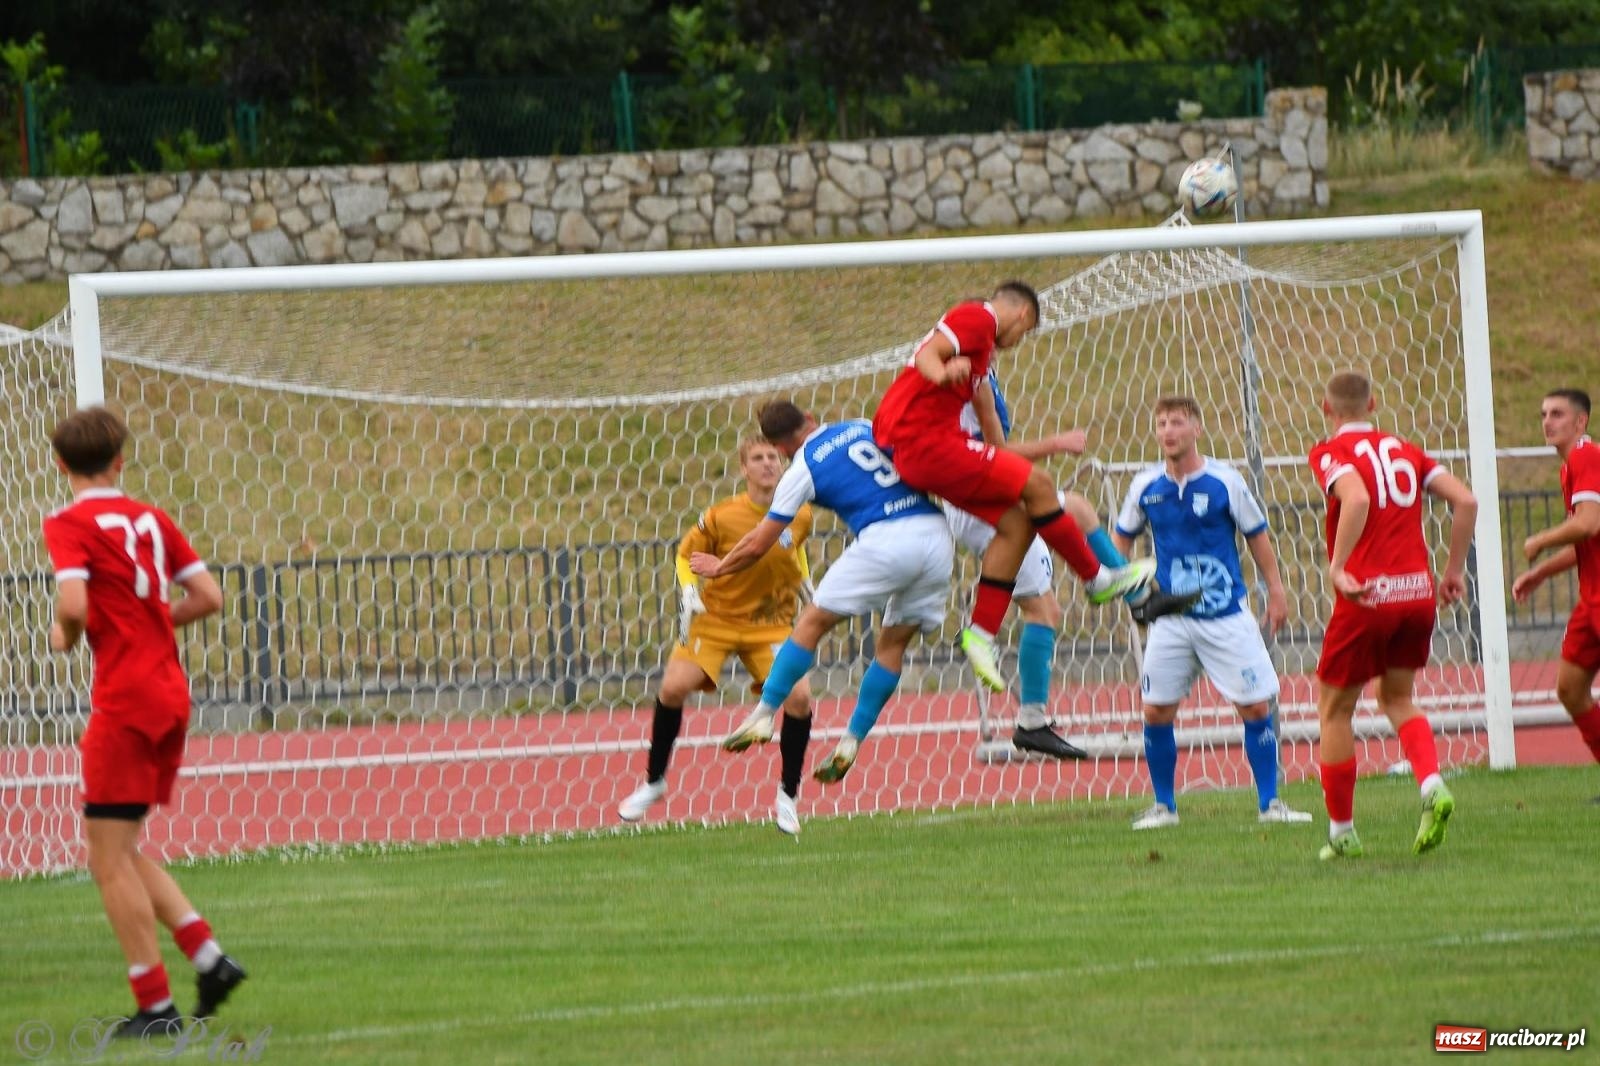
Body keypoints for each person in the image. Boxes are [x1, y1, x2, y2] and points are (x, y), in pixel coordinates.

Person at [872, 281, 1197, 693]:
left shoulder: (982, 367)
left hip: (934, 453)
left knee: (1020, 523)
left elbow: (998, 446)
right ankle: (1100, 580)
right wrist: (942, 371)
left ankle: (981, 635)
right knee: (1043, 489)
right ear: (1023, 316)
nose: (1017, 342)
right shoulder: (979, 317)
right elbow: (927, 356)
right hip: (927, 445)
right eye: (1024, 334)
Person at [41, 407, 246, 1036]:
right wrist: (152, 619)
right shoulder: (151, 520)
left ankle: (155, 1008)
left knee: (106, 860)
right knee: (122, 849)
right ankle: (209, 959)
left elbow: (73, 601)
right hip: (169, 693)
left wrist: (67, 632)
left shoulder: (68, 523)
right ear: (121, 461)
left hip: (125, 698)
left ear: (59, 464)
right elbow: (208, 596)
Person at [692, 400, 955, 787]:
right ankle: (851, 741)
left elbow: (757, 543)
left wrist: (719, 566)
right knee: (892, 645)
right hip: (936, 535)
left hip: (886, 538)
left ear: (780, 448)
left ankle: (763, 714)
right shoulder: (862, 424)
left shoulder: (801, 468)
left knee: (811, 622)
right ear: (811, 419)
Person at [1111, 396, 1311, 829]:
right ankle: (1165, 807)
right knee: (1155, 711)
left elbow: (1256, 535)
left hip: (1226, 615)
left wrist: (1276, 591)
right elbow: (1119, 543)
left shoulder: (1225, 481)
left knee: (1256, 707)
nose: (1168, 430)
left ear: (1196, 429)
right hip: (1172, 622)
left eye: (1177, 422)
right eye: (1161, 422)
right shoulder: (1145, 486)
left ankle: (1270, 804)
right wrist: (1128, 589)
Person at [1307, 371, 1479, 860]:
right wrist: (1452, 571)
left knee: (1335, 711)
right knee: (1397, 697)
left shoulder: (1328, 452)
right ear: (1374, 404)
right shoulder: (1406, 448)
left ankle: (1342, 833)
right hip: (1417, 593)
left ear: (1327, 408)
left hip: (1368, 596)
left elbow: (1356, 497)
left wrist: (1338, 567)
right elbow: (1465, 499)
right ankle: (1430, 784)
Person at [617, 437, 816, 835]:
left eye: (772, 458)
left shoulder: (801, 513)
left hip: (771, 622)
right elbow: (685, 554)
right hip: (718, 619)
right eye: (757, 458)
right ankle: (654, 781)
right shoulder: (722, 515)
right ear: (744, 469)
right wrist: (690, 591)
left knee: (799, 698)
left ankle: (787, 796)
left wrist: (809, 585)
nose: (767, 464)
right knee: (673, 687)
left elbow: (796, 550)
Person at [946, 366, 1089, 759]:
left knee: (1046, 609)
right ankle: (1029, 718)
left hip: (986, 496)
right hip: (981, 501)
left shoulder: (978, 374)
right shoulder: (966, 378)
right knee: (1074, 510)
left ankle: (1031, 716)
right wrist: (1058, 442)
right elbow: (993, 452)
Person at [1511, 388, 1600, 781]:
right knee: (1569, 687)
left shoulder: (1586, 455)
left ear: (1581, 422)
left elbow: (1588, 524)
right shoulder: (1571, 466)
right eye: (1543, 413)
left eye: (1558, 414)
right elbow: (1588, 539)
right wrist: (1541, 572)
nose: (1547, 421)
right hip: (1591, 599)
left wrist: (1540, 540)